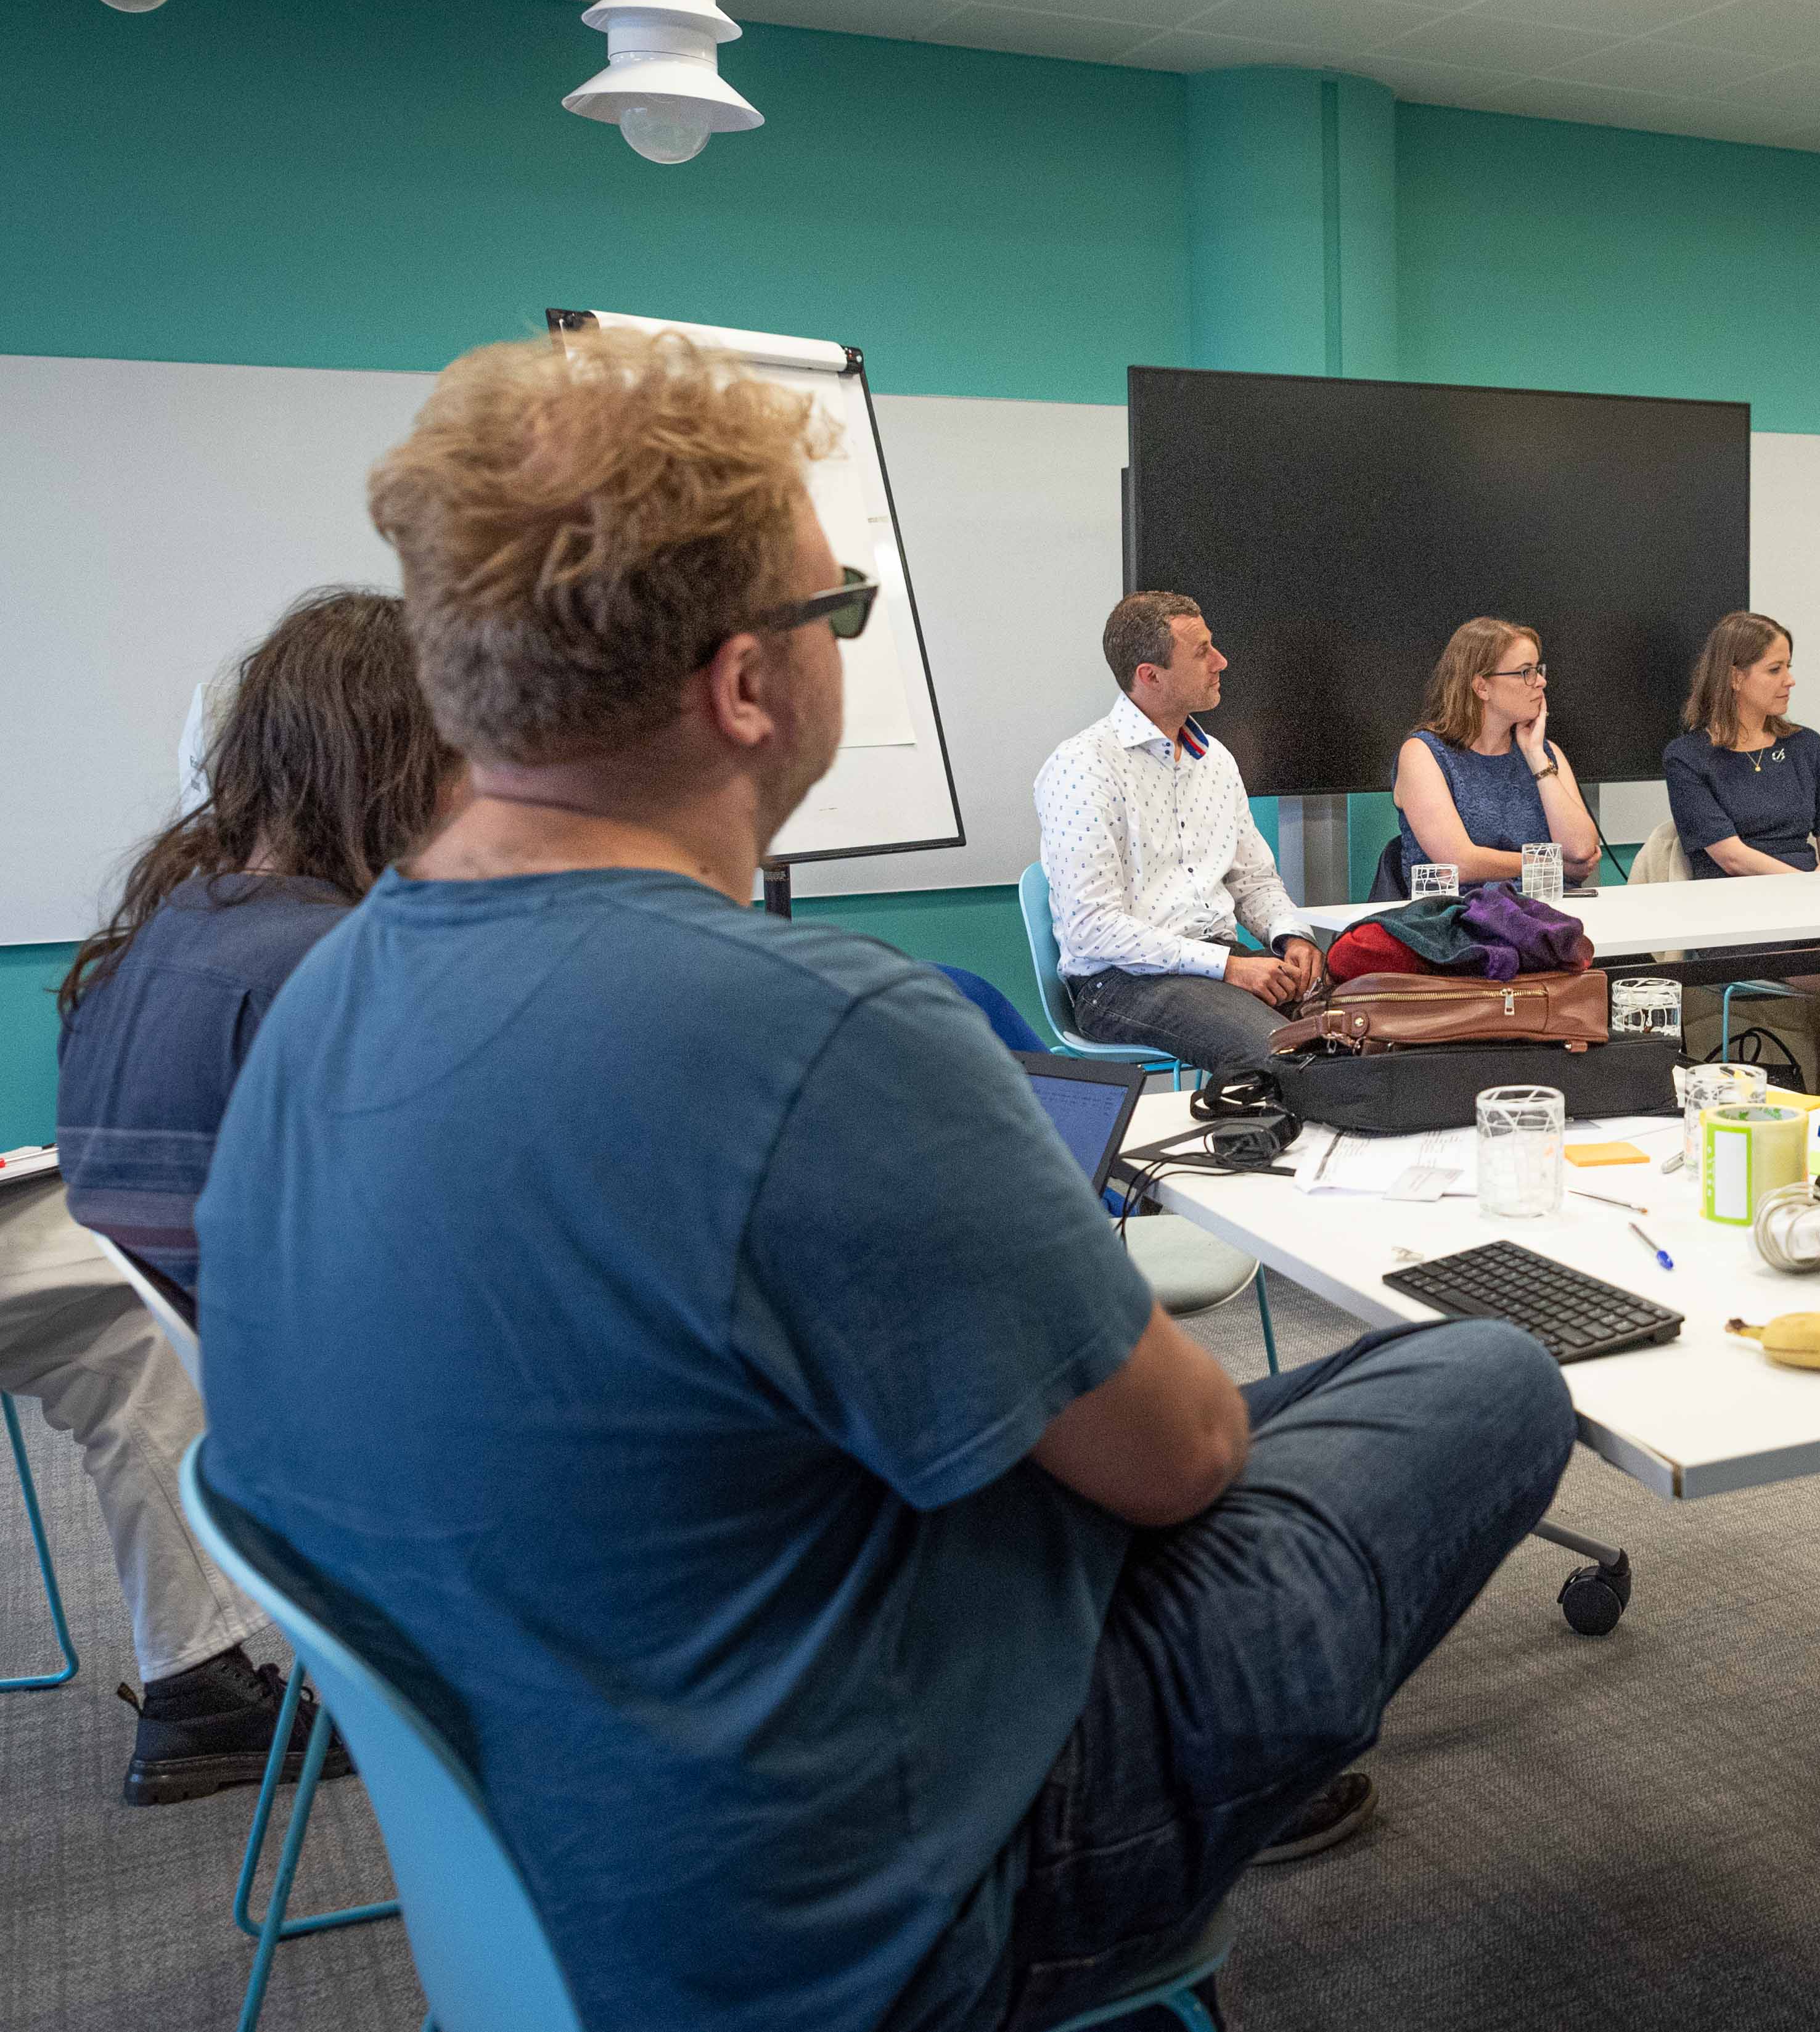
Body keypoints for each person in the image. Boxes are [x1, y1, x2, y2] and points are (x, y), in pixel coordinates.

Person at [197, 328, 1575, 2032]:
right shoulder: (820, 1029)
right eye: (837, 610)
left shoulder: (322, 992)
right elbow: (1182, 1456)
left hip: (583, 1856)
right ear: (749, 686)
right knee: (1483, 1375)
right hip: (897, 1908)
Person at [28, 588, 453, 1804]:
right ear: (410, 766)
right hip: (394, 1498)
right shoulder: (331, 969)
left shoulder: (153, 943)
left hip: (278, 1479)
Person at [1036, 591, 1327, 1076]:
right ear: (1150, 676)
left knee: (1365, 1027)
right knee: (1281, 1055)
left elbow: (1252, 881)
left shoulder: (1215, 758)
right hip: (1122, 982)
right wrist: (1228, 967)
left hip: (1216, 961)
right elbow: (1092, 930)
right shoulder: (1083, 767)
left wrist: (1290, 939)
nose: (1221, 661)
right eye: (1201, 652)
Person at [1660, 611, 1820, 1115]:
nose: (1790, 680)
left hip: (1812, 913)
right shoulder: (1687, 757)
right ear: (1735, 677)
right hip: (1736, 921)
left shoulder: (1805, 746)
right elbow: (1730, 856)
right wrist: (1814, 887)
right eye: (1775, 669)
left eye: (1789, 666)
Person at [1389, 615, 1602, 888]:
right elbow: (1459, 863)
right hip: (1460, 918)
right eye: (1526, 672)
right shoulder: (1423, 754)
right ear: (1482, 687)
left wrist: (1536, 756)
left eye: (1538, 669)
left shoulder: (1546, 753)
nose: (1540, 682)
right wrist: (1551, 863)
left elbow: (1582, 850)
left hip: (1547, 915)